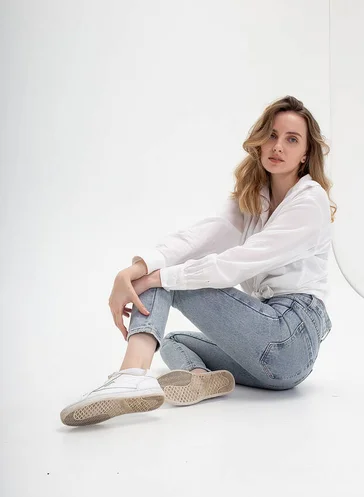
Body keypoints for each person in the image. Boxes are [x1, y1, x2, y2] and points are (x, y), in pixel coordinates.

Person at [60, 95, 335, 427]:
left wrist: (154, 279)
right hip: (272, 370)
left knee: (173, 280)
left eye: (291, 140)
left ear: (306, 153)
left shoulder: (310, 201)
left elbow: (237, 263)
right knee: (174, 341)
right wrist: (137, 269)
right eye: (272, 136)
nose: (278, 146)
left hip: (290, 334)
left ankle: (131, 375)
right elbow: (199, 238)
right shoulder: (254, 199)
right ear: (260, 142)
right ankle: (200, 378)